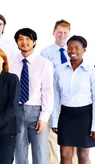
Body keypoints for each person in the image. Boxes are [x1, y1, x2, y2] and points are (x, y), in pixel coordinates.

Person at [9, 28, 53, 164]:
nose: (24, 42)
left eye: (28, 39)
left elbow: (47, 92)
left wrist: (44, 118)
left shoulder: (44, 63)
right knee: (20, 155)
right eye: (21, 39)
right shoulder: (11, 62)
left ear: (34, 42)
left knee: (40, 155)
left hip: (36, 112)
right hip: (17, 112)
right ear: (16, 42)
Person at [52, 35, 95, 164]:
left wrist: (94, 125)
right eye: (70, 48)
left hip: (85, 116)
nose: (73, 51)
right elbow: (55, 96)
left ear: (84, 50)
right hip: (66, 116)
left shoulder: (91, 71)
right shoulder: (59, 70)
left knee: (83, 156)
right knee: (64, 155)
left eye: (77, 48)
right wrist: (54, 121)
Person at [40, 19, 75, 164]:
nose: (62, 35)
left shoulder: (73, 51)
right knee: (53, 137)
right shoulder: (46, 53)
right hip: (53, 100)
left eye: (65, 33)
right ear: (54, 32)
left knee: (72, 136)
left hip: (70, 101)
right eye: (59, 32)